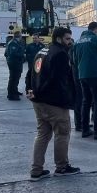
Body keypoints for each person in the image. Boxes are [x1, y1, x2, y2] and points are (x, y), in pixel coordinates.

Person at [26, 27, 80, 180]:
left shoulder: (41, 51)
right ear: (59, 39)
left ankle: (36, 170)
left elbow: (30, 73)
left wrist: (30, 90)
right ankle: (62, 167)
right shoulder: (60, 54)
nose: (70, 42)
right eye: (67, 39)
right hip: (54, 102)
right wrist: (69, 100)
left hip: (38, 101)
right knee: (62, 133)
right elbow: (58, 80)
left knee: (42, 134)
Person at [4, 31, 26, 100]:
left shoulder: (16, 42)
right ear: (19, 36)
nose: (21, 37)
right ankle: (11, 95)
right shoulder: (13, 43)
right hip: (14, 63)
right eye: (20, 35)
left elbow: (6, 53)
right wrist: (23, 55)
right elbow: (13, 53)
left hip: (17, 63)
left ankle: (15, 91)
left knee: (16, 78)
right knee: (13, 79)